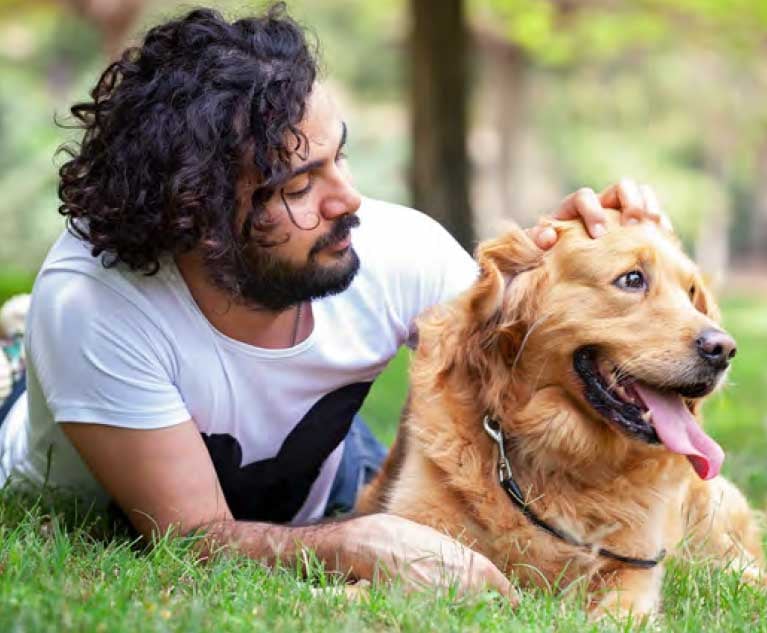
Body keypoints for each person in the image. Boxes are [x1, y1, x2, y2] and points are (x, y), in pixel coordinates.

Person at [0, 5, 668, 599]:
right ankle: (20, 354)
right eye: (299, 184)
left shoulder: (391, 248)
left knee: (356, 458)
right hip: (94, 465)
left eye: (338, 156)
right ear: (195, 216)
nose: (347, 199)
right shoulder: (96, 305)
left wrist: (555, 267)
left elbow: (509, 347)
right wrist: (350, 542)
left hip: (327, 465)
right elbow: (192, 540)